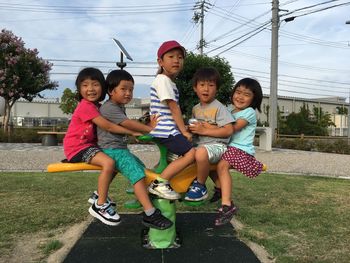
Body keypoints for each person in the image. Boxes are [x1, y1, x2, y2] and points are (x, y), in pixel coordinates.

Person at [97, 69, 173, 230]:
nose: (128, 93)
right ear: (111, 91)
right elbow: (127, 124)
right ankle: (150, 213)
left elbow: (121, 129)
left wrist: (136, 134)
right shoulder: (109, 107)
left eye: (131, 89)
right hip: (113, 151)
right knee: (137, 175)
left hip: (118, 149)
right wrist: (149, 128)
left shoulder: (118, 107)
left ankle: (140, 197)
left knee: (142, 170)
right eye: (123, 89)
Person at [63, 67, 139, 226]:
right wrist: (131, 132)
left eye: (95, 84)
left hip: (89, 146)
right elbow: (109, 127)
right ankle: (100, 205)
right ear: (79, 89)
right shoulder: (85, 106)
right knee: (109, 163)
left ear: (103, 88)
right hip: (77, 147)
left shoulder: (97, 106)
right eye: (85, 85)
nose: (90, 89)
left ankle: (98, 194)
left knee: (115, 160)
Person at [147, 40, 195, 200]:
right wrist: (183, 131)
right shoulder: (162, 80)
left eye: (180, 57)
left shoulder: (168, 82)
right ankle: (159, 183)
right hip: (165, 130)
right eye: (171, 56)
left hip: (168, 128)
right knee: (191, 153)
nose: (176, 60)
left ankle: (170, 163)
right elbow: (173, 108)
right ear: (160, 61)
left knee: (185, 151)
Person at [215, 78, 265, 226]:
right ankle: (220, 189)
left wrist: (208, 128)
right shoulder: (229, 109)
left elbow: (232, 128)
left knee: (221, 166)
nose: (240, 97)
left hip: (241, 149)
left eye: (246, 94)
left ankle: (227, 205)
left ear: (254, 99)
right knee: (210, 162)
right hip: (228, 147)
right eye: (238, 92)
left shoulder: (249, 112)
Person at [184, 67, 234, 202]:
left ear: (216, 88)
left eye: (211, 85)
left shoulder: (219, 107)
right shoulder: (196, 108)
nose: (206, 89)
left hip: (218, 146)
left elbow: (228, 130)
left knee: (201, 153)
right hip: (202, 146)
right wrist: (189, 130)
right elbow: (197, 130)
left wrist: (204, 131)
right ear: (195, 88)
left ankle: (200, 186)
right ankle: (220, 189)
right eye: (202, 85)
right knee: (183, 152)